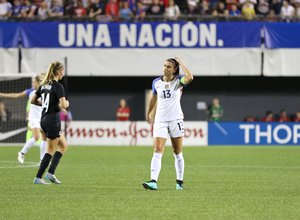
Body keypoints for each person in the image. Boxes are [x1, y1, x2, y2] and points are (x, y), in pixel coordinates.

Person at [142, 57, 193, 190]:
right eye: (164, 65)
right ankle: (153, 181)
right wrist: (149, 113)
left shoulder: (178, 82)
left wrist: (181, 63)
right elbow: (153, 98)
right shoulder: (156, 82)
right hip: (160, 120)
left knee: (177, 152)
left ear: (174, 69)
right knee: (157, 150)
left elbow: (190, 77)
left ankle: (179, 182)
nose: (165, 68)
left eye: (168, 66)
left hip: (176, 120)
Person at [32, 62, 69, 185]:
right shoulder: (58, 86)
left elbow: (33, 100)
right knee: (50, 150)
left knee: (63, 145)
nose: (63, 73)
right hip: (53, 120)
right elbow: (64, 105)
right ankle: (38, 177)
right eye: (62, 70)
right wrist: (67, 104)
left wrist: (46, 105)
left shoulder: (44, 85)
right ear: (58, 72)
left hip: (43, 119)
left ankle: (50, 173)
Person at [0, 74, 46, 164]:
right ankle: (21, 153)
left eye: (34, 82)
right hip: (33, 118)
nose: (32, 83)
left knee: (44, 139)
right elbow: (16, 95)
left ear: (38, 82)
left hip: (42, 118)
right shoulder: (30, 91)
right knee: (37, 137)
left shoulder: (45, 92)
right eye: (32, 82)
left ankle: (42, 160)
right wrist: (2, 94)